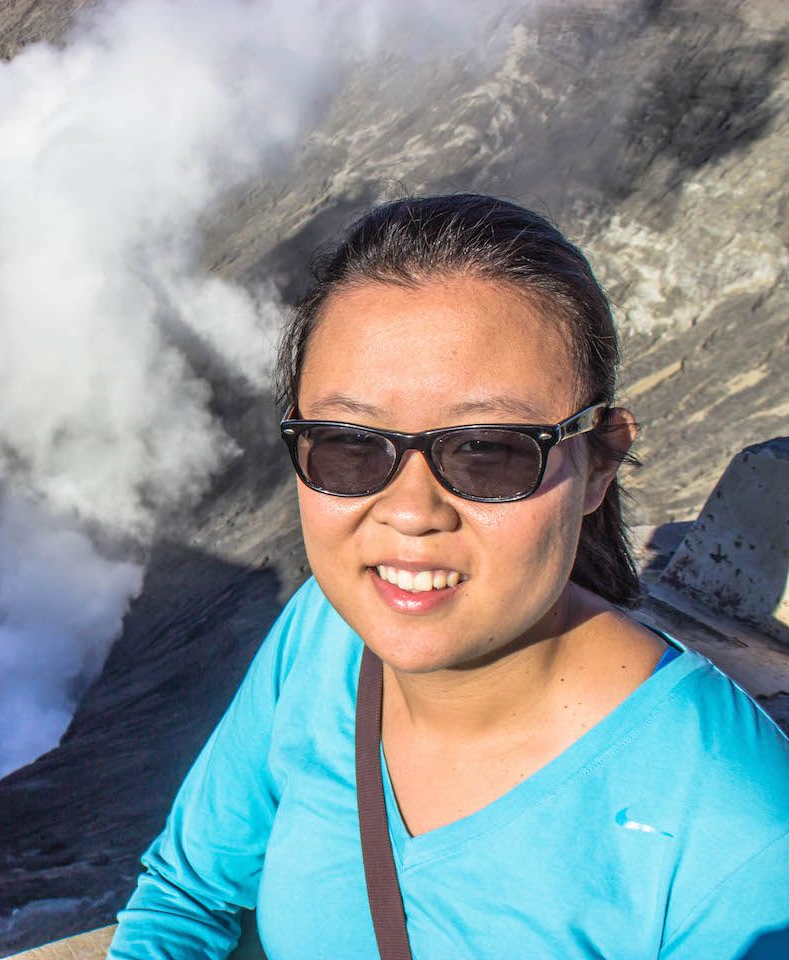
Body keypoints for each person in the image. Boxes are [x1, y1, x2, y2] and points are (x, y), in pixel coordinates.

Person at [105, 195, 789, 958]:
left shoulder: (737, 836)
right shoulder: (324, 638)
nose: (409, 510)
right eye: (349, 445)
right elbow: (186, 896)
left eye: (488, 451)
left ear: (598, 462)